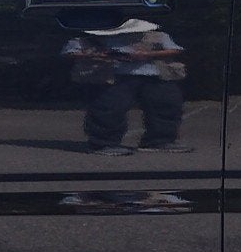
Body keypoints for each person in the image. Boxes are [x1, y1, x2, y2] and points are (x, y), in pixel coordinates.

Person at [63, 17, 189, 154]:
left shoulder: (157, 35)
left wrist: (148, 54)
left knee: (166, 106)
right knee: (108, 109)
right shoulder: (90, 37)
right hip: (111, 76)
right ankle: (103, 143)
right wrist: (96, 55)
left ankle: (160, 141)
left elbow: (175, 49)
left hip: (155, 75)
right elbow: (70, 52)